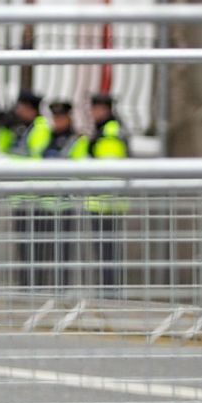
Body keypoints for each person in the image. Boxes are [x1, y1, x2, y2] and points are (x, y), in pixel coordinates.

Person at [0, 89, 49, 286]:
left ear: (30, 109)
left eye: (21, 108)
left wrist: (9, 160)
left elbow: (33, 159)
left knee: (38, 245)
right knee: (24, 244)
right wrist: (4, 129)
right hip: (21, 196)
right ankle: (26, 284)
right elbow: (0, 150)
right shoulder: (19, 127)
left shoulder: (41, 127)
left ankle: (37, 285)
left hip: (37, 198)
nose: (18, 111)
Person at [34, 101, 89, 290]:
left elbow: (79, 167)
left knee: (64, 253)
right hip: (43, 204)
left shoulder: (76, 140)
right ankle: (38, 291)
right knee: (40, 252)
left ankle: (62, 291)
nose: (57, 121)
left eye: (61, 118)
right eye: (55, 118)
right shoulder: (45, 136)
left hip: (65, 205)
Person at [85, 92, 130, 293]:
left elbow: (108, 165)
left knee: (108, 250)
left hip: (107, 200)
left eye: (96, 108)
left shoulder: (109, 131)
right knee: (106, 250)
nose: (93, 113)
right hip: (104, 200)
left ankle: (110, 291)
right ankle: (108, 289)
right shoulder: (105, 129)